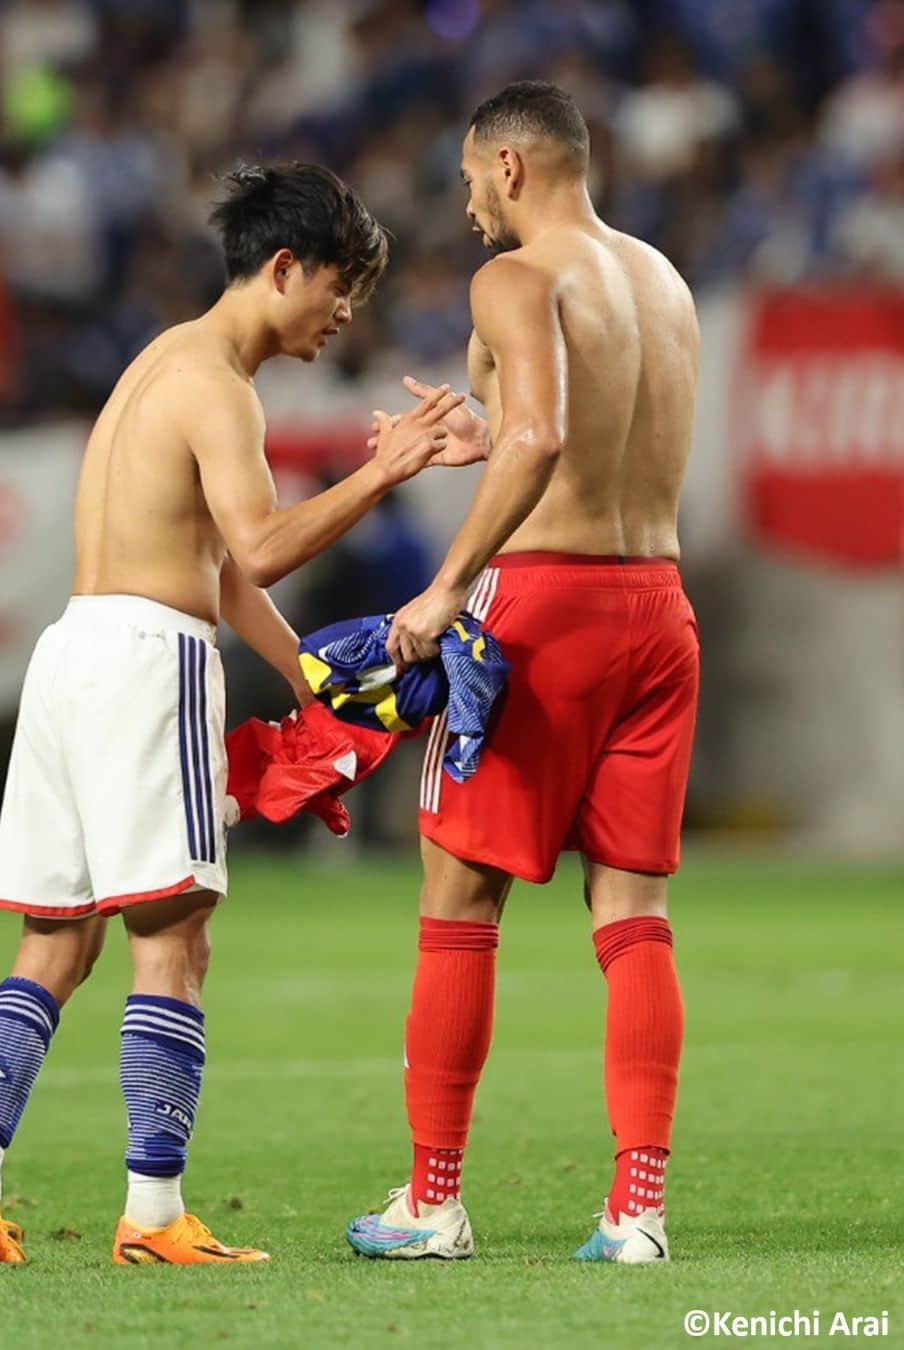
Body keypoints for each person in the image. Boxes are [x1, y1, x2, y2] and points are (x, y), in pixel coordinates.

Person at [0, 162, 464, 1268]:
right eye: (340, 284)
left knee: (54, 946)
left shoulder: (155, 365)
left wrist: (304, 669)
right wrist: (385, 469)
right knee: (176, 943)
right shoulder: (223, 388)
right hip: (144, 664)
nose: (347, 311)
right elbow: (260, 546)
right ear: (282, 268)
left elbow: (219, 566)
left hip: (71, 656)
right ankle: (156, 1215)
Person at [346, 82, 700, 1265]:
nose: (465, 202)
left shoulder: (514, 278)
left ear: (508, 167)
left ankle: (432, 1204)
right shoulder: (662, 281)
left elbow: (546, 437)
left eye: (464, 176)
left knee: (458, 908)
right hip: (658, 610)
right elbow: (576, 434)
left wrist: (447, 581)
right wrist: (478, 440)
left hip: (543, 613)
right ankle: (637, 1213)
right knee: (635, 918)